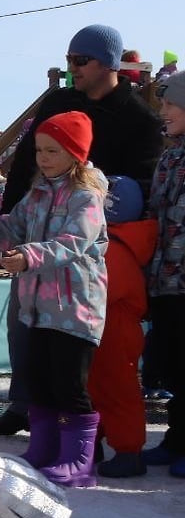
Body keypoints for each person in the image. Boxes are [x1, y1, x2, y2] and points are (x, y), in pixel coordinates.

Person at [0, 24, 161, 437]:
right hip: (36, 229)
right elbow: (25, 165)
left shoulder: (138, 119)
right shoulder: (58, 103)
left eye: (81, 60)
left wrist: (105, 195)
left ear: (109, 63)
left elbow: (144, 187)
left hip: (91, 248)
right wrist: (7, 228)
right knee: (23, 322)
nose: (72, 68)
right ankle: (24, 403)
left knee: (77, 338)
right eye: (69, 60)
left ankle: (81, 425)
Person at [0, 111, 108, 487]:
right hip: (37, 308)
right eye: (40, 150)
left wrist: (28, 256)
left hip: (73, 308)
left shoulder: (86, 197)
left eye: (53, 151)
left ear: (75, 154)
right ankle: (44, 449)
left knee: (68, 385)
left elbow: (73, 242)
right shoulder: (39, 193)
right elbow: (9, 226)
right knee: (39, 381)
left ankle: (80, 459)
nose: (43, 158)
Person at [88, 176, 156, 478]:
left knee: (119, 390)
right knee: (95, 387)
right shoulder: (113, 242)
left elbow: (104, 289)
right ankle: (94, 442)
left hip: (116, 327)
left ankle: (129, 451)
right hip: (104, 326)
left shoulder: (114, 247)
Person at [142, 72, 185, 474]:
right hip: (166, 278)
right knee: (170, 361)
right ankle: (175, 439)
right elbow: (157, 212)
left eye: (171, 105)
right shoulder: (170, 157)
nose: (163, 112)